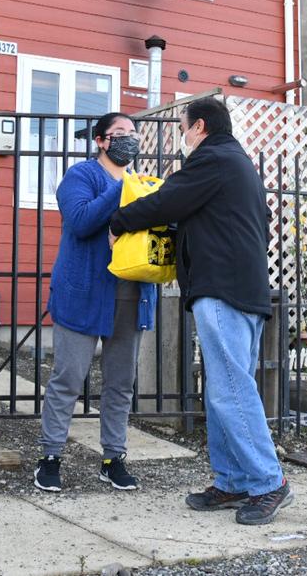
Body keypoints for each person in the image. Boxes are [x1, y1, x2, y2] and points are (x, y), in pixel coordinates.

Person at [108, 97, 292, 526]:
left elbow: (168, 200)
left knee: (230, 389)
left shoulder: (212, 159)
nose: (183, 136)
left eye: (184, 128)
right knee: (224, 389)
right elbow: (249, 221)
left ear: (201, 127)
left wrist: (120, 221)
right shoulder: (239, 164)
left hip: (222, 289)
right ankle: (232, 481)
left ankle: (269, 483)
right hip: (242, 290)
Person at [34, 113, 157, 493]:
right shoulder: (81, 176)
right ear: (101, 141)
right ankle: (50, 457)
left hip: (130, 295)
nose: (129, 141)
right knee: (68, 378)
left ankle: (112, 458)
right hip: (83, 294)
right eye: (120, 134)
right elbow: (81, 220)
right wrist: (121, 189)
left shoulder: (140, 183)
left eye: (133, 134)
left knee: (120, 383)